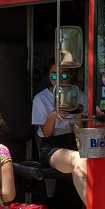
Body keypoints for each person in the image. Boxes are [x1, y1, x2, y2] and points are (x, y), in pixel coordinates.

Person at [32, 59, 88, 200]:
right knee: (80, 160)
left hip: (74, 142)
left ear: (71, 76)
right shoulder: (41, 98)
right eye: (54, 76)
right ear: (49, 77)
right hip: (52, 145)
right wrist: (53, 116)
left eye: (64, 76)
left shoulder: (81, 96)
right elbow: (46, 133)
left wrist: (78, 116)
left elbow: (80, 133)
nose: (59, 80)